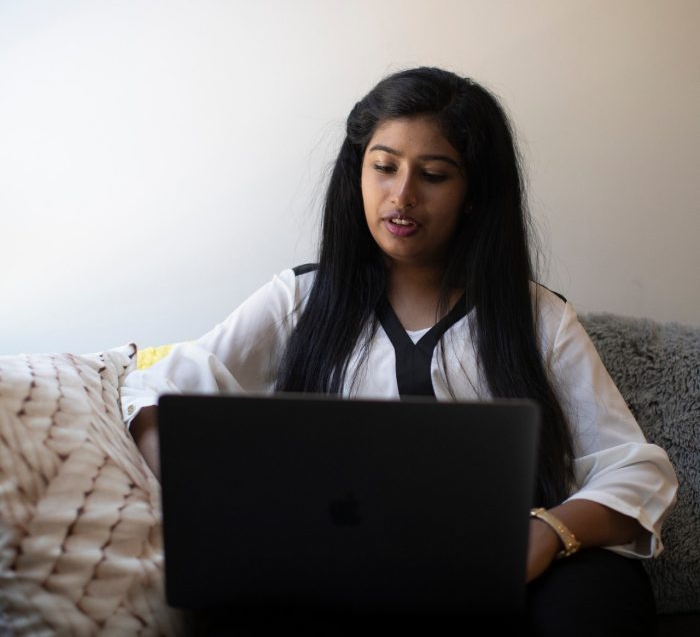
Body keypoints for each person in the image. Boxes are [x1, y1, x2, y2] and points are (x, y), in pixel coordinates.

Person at [121, 66, 678, 636]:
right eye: (384, 167)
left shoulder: (536, 317)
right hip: (338, 565)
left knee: (599, 597)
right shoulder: (301, 299)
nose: (402, 195)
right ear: (357, 173)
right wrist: (211, 506)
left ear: (473, 195)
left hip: (502, 570)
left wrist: (548, 533)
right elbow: (153, 388)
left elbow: (635, 469)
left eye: (434, 175)